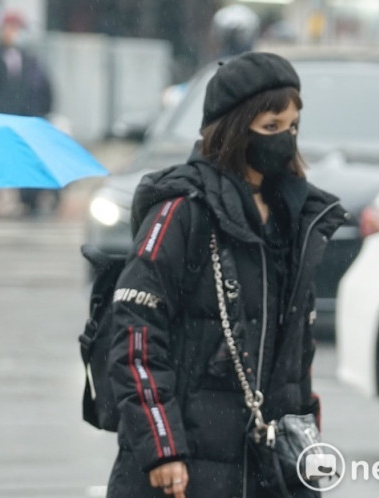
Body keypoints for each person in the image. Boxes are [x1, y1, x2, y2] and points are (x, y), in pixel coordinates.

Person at [105, 52, 347, 498]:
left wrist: (306, 447)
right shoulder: (181, 211)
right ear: (235, 127)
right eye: (271, 127)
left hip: (271, 467)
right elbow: (136, 335)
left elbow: (296, 357)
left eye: (292, 126)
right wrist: (163, 446)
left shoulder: (294, 216)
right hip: (186, 466)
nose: (285, 139)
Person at [0, 10, 55, 217]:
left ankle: (30, 200)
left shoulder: (29, 58)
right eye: (9, 28)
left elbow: (44, 88)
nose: (13, 33)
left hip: (26, 118)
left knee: (27, 160)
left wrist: (42, 113)